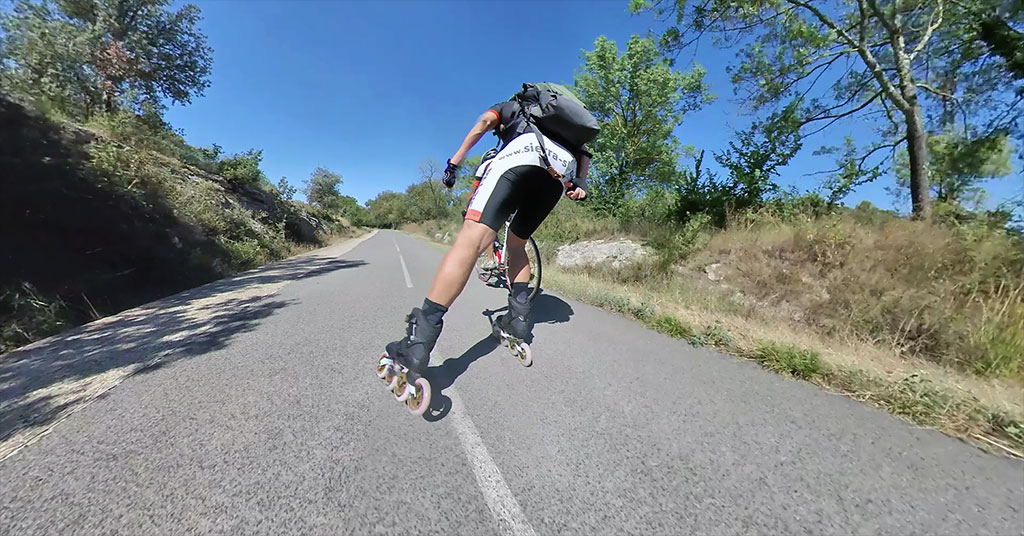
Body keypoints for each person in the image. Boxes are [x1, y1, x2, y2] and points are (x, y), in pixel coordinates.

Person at [383, 96, 591, 388]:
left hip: (520, 158)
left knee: (471, 241)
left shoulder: (515, 105)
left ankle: (418, 342)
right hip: (557, 174)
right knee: (516, 244)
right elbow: (584, 153)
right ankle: (518, 321)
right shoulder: (564, 129)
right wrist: (580, 183)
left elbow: (483, 123)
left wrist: (453, 163)